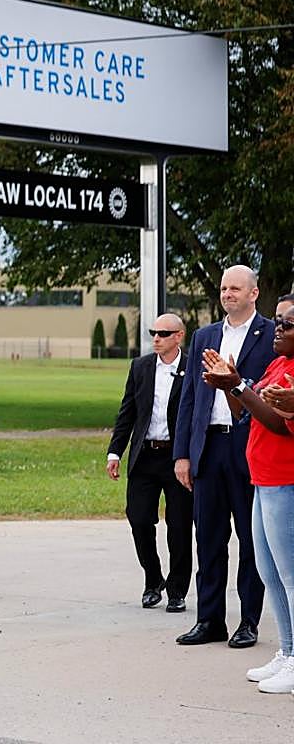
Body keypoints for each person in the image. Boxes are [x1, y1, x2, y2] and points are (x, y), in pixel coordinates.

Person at [173, 265, 274, 648]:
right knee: (209, 538)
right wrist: (183, 454)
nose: (227, 294)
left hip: (248, 446)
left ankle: (248, 621)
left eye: (235, 288)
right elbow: (189, 399)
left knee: (251, 540)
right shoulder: (205, 336)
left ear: (253, 293)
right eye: (223, 288)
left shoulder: (269, 336)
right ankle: (209, 619)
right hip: (209, 447)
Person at [202, 300, 294, 692]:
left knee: (290, 575)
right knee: (269, 573)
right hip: (263, 479)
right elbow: (246, 413)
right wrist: (231, 385)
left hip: (285, 481)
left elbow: (277, 423)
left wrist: (238, 385)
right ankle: (287, 651)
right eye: (278, 321)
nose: (278, 328)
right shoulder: (278, 364)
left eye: (288, 323)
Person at [106, 313, 193, 612]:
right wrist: (115, 452)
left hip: (177, 458)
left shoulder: (192, 368)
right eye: (153, 332)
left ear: (179, 336)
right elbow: (127, 412)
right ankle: (153, 579)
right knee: (139, 519)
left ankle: (177, 590)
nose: (156, 338)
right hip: (144, 456)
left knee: (179, 526)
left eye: (164, 333)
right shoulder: (140, 367)